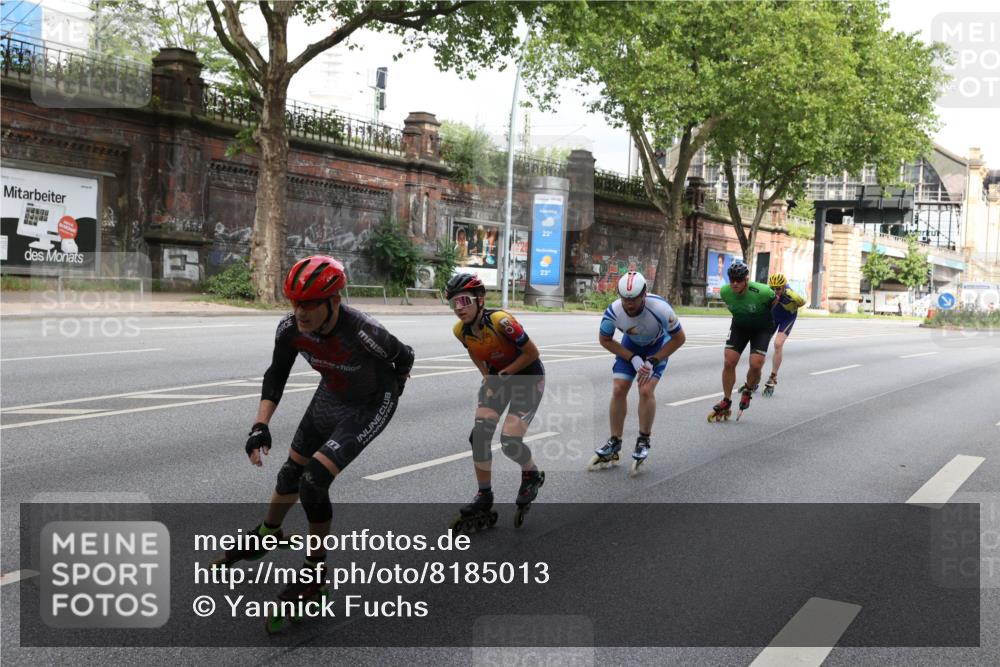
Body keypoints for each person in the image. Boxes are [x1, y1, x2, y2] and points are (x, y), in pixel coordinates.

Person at [215, 255, 414, 600]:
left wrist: (395, 387)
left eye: (309, 304)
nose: (300, 312)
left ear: (334, 301)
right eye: (295, 303)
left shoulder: (364, 332)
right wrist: (260, 424)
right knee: (291, 474)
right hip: (331, 394)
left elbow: (405, 356)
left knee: (314, 482)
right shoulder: (290, 329)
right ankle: (269, 532)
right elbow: (276, 375)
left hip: (370, 403)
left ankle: (315, 571)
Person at [446, 272, 546, 530]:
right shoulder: (460, 330)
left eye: (465, 301)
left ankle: (531, 473)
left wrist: (502, 375)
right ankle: (484, 495)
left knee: (510, 441)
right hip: (499, 378)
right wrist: (487, 376)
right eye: (454, 303)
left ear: (480, 299)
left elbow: (532, 353)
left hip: (527, 377)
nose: (459, 308)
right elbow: (474, 353)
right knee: (478, 436)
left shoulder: (502, 321)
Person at [592, 271, 686, 476]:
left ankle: (643, 439)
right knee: (618, 389)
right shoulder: (613, 311)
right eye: (624, 298)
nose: (628, 303)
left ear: (644, 294)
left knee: (645, 390)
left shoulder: (661, 308)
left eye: (633, 298)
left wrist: (654, 360)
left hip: (656, 348)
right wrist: (632, 357)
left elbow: (679, 339)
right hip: (631, 347)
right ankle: (614, 441)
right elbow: (605, 340)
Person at [709, 260, 777, 421]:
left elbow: (774, 302)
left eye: (738, 280)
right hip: (740, 326)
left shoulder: (763, 291)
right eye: (731, 279)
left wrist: (763, 316)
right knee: (729, 361)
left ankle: (748, 389)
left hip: (761, 328)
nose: (734, 283)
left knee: (756, 364)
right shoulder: (725, 292)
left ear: (746, 279)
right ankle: (726, 400)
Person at [763, 273, 806, 396]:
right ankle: (756, 374)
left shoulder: (790, 293)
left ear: (784, 287)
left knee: (778, 344)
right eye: (773, 288)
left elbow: (802, 302)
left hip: (787, 318)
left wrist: (796, 300)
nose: (775, 291)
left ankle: (773, 376)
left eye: (778, 288)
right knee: (762, 343)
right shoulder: (768, 292)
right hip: (773, 316)